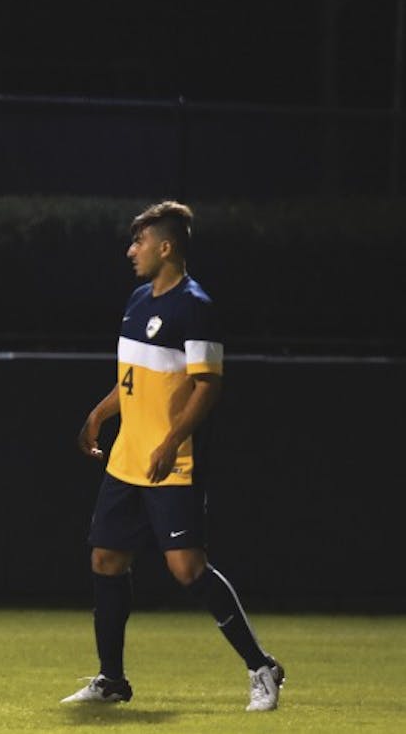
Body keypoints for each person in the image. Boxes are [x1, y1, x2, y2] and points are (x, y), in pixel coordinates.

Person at [62, 200, 284, 712]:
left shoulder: (194, 304)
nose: (130, 251)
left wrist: (169, 443)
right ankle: (112, 679)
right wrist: (99, 415)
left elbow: (208, 386)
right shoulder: (139, 298)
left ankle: (260, 666)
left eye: (138, 242)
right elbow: (133, 378)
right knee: (106, 559)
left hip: (170, 460)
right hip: (128, 458)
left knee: (187, 568)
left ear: (166, 247)